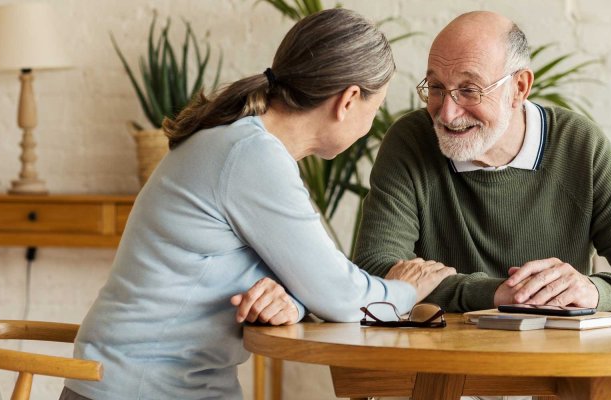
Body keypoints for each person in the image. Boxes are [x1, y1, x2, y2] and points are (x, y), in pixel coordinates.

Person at [63, 9, 453, 400]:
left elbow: (307, 279)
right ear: (349, 100)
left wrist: (291, 301)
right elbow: (342, 296)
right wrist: (403, 290)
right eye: (374, 107)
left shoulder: (242, 143)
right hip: (141, 390)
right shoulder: (251, 156)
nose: (371, 123)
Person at [351, 11, 611, 313]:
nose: (447, 112)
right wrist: (498, 294)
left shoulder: (578, 143)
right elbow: (377, 271)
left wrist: (592, 291)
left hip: (558, 359)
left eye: (469, 90)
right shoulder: (411, 139)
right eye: (436, 87)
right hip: (445, 361)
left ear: (519, 88)